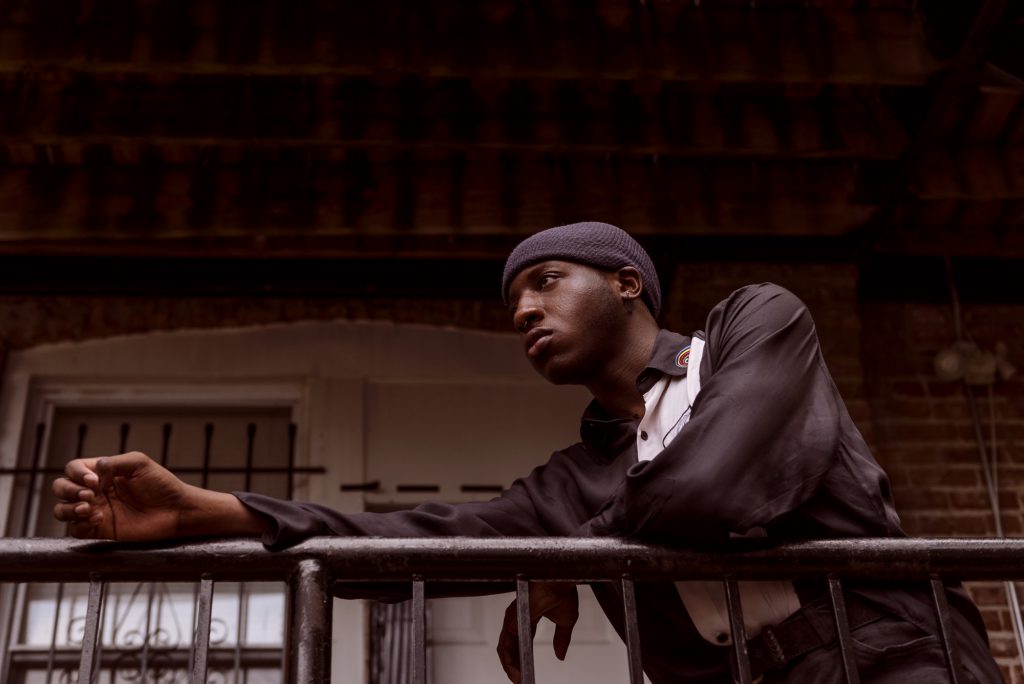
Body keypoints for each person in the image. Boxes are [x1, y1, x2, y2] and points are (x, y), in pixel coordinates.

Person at [52, 222, 1001, 683]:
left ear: (629, 284)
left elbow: (715, 486)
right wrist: (206, 513)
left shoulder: (753, 329)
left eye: (547, 283)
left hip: (893, 661)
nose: (525, 313)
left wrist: (569, 554)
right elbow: (417, 539)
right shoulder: (573, 479)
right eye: (514, 305)